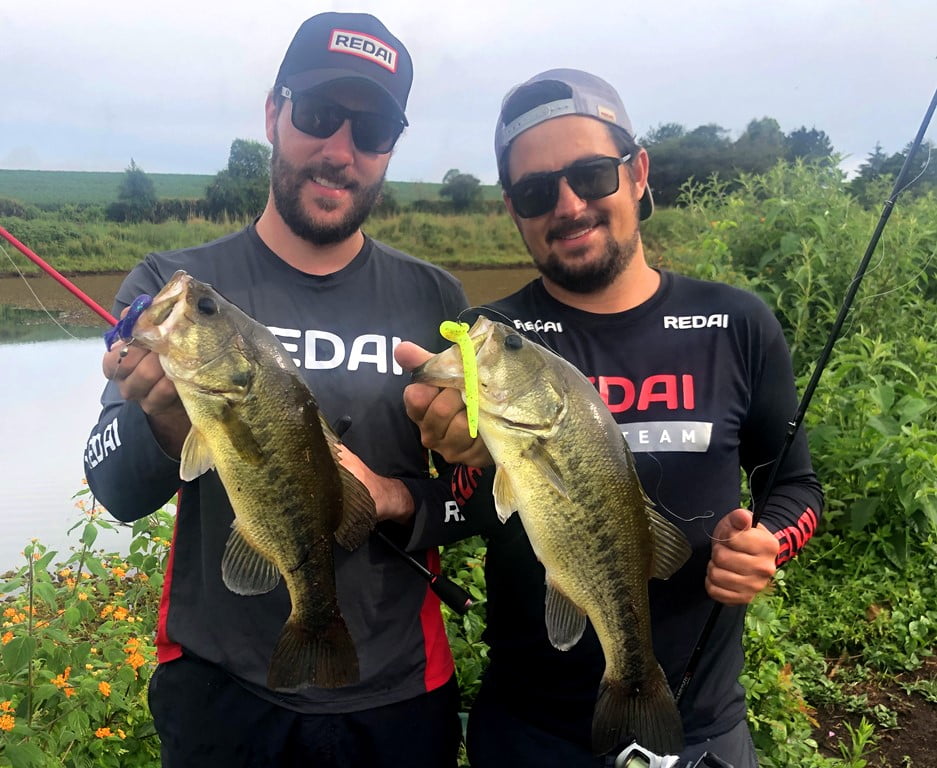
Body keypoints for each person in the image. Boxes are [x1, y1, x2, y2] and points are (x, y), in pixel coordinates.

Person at [395, 69, 824, 768]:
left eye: (591, 175)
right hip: (528, 732)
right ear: (512, 209)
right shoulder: (492, 336)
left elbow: (796, 486)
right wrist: (463, 461)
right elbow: (465, 506)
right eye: (536, 192)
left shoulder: (736, 324)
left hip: (701, 726)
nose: (568, 205)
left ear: (637, 172)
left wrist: (769, 543)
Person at [83, 12, 467, 768]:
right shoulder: (174, 288)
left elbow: (483, 494)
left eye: (371, 131)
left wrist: (397, 498)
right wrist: (162, 426)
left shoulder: (438, 300)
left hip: (400, 692)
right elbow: (113, 488)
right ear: (272, 114)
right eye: (319, 115)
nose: (339, 151)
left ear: (391, 147)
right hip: (221, 694)